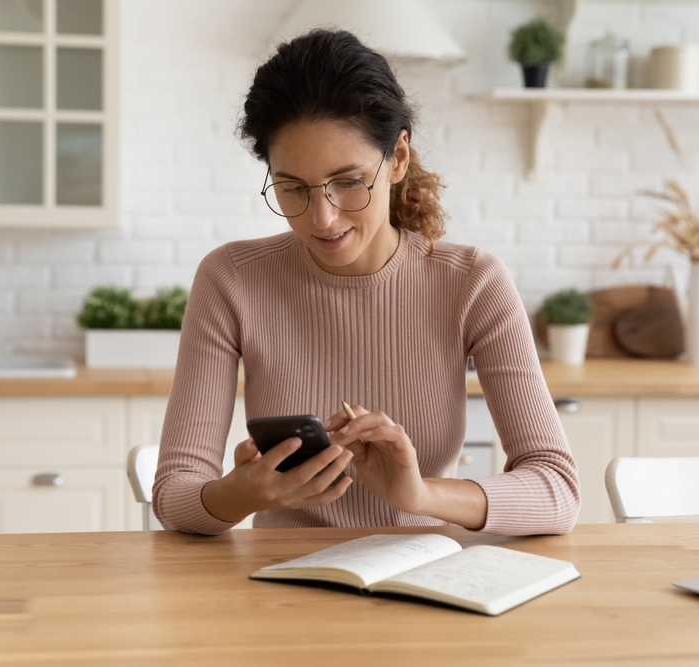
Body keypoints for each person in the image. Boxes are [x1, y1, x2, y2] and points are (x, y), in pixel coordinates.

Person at [152, 29, 579, 536]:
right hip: (280, 588)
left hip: (426, 580)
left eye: (349, 182)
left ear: (397, 159)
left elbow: (556, 490)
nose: (323, 218)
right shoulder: (232, 280)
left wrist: (420, 494)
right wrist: (239, 495)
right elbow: (174, 493)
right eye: (291, 189)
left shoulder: (473, 283)